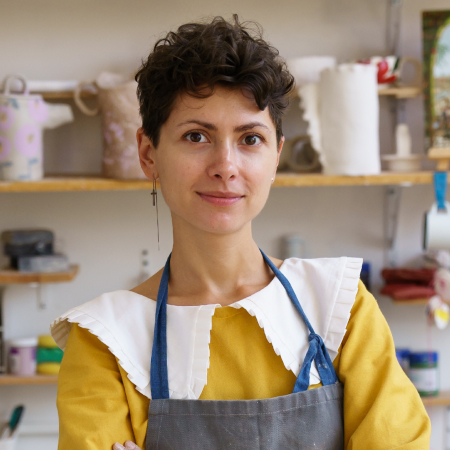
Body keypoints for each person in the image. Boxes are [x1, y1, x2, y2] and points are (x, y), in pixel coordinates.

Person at [51, 15, 431, 450]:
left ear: (276, 157)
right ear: (148, 153)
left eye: (250, 139)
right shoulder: (106, 339)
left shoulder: (340, 308)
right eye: (196, 136)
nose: (225, 167)